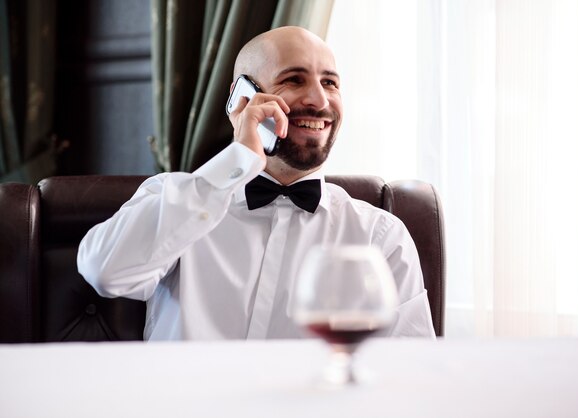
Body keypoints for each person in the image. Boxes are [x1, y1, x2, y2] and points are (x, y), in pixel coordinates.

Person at [77, 26, 435, 341]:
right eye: (294, 79)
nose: (320, 100)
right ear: (242, 98)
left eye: (330, 82)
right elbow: (104, 272)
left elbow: (408, 370)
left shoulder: (380, 236)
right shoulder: (175, 199)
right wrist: (238, 160)